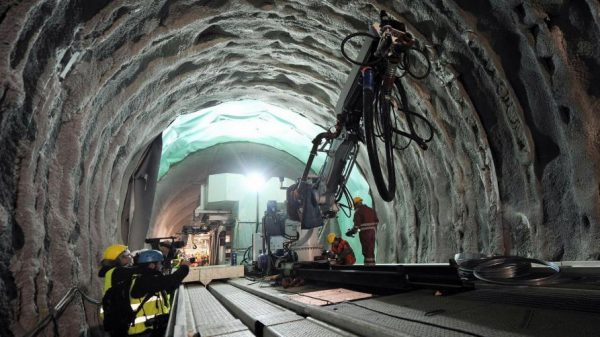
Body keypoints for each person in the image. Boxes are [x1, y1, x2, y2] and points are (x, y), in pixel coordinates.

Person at [128, 249, 189, 336]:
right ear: (152, 265)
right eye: (160, 263)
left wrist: (176, 284)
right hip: (141, 331)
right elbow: (171, 280)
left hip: (151, 328)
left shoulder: (145, 278)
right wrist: (184, 267)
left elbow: (165, 288)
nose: (161, 266)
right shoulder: (145, 280)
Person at [98, 244, 135, 336]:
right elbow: (137, 271)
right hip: (118, 318)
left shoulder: (111, 271)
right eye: (127, 254)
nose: (130, 256)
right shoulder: (117, 272)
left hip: (114, 315)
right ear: (119, 258)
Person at [352, 196, 379, 266]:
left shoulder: (358, 212)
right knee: (371, 251)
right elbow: (376, 221)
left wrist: (351, 232)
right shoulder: (371, 210)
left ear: (356, 204)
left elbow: (356, 227)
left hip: (365, 235)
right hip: (372, 233)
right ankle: (372, 265)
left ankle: (368, 268)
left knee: (367, 252)